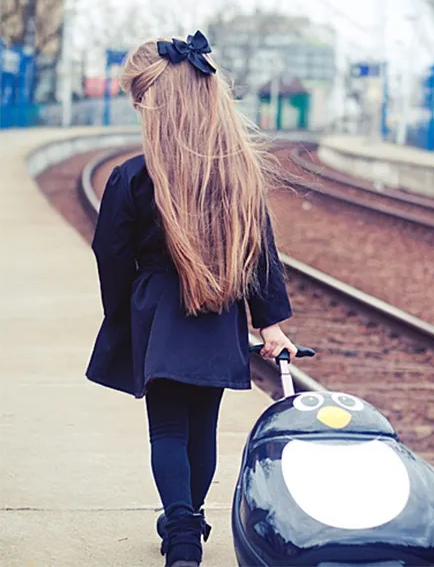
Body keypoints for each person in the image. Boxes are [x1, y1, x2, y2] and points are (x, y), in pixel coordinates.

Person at [86, 30, 295, 567]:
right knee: (202, 428)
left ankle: (180, 531)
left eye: (138, 101)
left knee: (168, 429)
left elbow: (110, 255)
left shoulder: (133, 178)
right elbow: (260, 250)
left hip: (160, 316)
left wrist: (123, 316)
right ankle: (191, 520)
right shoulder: (238, 173)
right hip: (220, 313)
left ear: (154, 105)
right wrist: (269, 324)